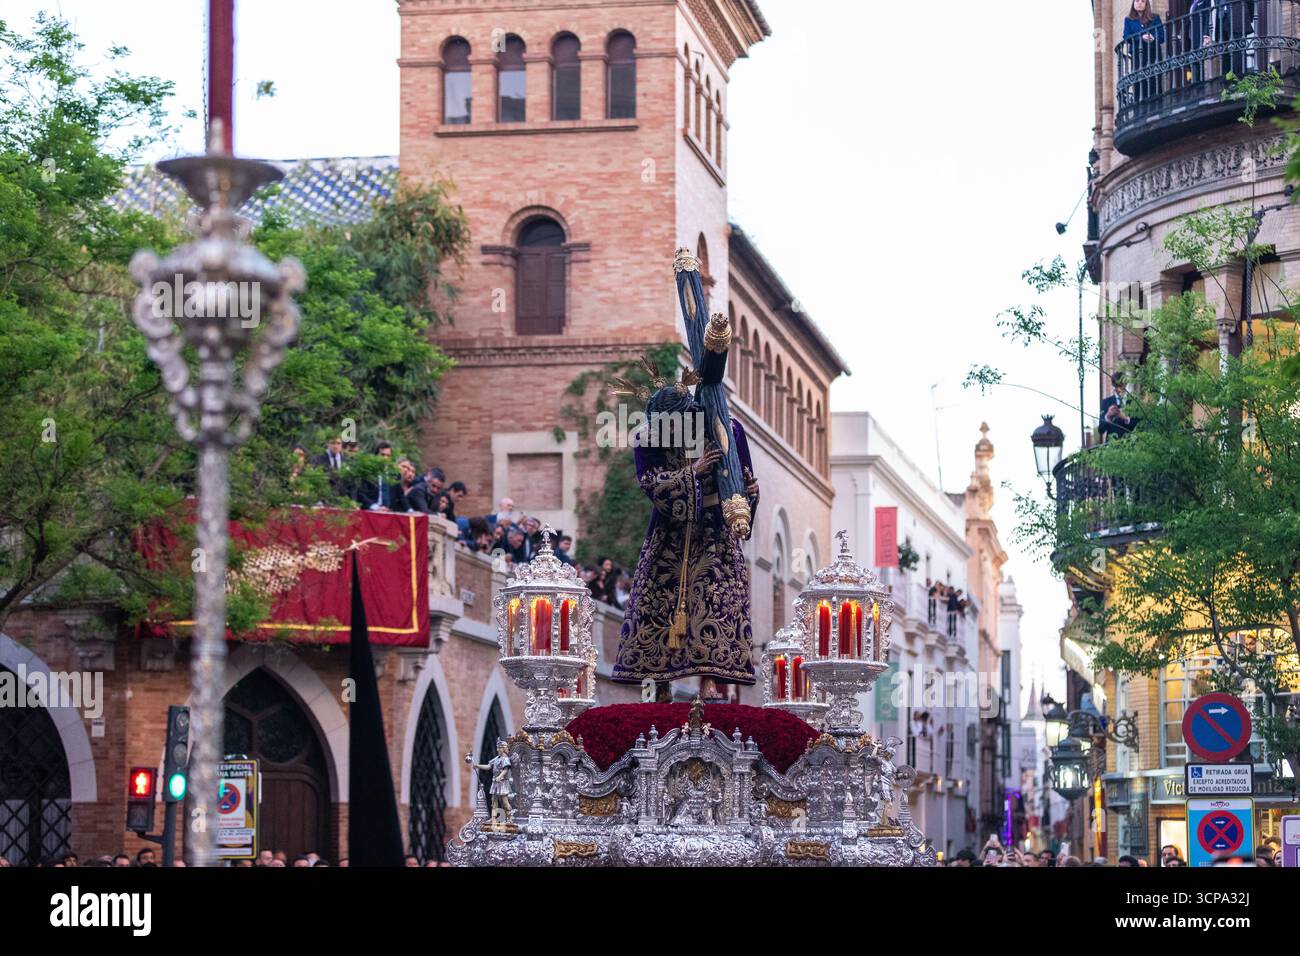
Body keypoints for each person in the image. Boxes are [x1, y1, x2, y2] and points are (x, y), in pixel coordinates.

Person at [1123, 0, 1166, 104]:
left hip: (1153, 54)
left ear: (1146, 4)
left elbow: (1161, 37)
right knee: (1139, 81)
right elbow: (1126, 36)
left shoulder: (1155, 18)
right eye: (1137, 1)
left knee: (1154, 80)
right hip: (1138, 55)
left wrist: (1153, 38)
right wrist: (1141, 37)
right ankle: (1140, 108)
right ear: (1133, 3)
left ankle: (1157, 106)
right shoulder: (1128, 20)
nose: (1140, 3)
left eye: (1143, 1)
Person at [1099, 373, 1135, 441]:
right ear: (1113, 385)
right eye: (1117, 386)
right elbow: (1101, 430)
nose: (1119, 389)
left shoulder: (1134, 402)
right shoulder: (1106, 402)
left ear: (1126, 384)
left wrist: (1126, 418)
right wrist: (1107, 416)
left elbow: (1139, 426)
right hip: (1112, 446)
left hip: (1130, 445)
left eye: (1122, 385)